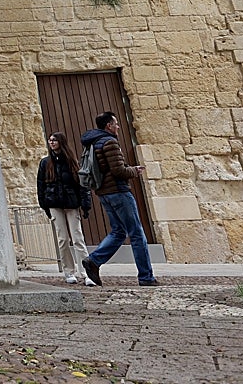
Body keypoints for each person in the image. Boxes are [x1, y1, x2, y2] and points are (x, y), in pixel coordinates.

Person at [80, 112, 159, 287]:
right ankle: (146, 277)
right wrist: (134, 171)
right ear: (108, 125)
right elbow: (118, 171)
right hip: (119, 192)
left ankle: (94, 261)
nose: (118, 127)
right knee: (137, 234)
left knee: (118, 232)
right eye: (115, 124)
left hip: (104, 193)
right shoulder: (110, 142)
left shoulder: (93, 142)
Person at [37, 132, 96, 286]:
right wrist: (44, 205)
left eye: (54, 140)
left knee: (78, 239)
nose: (52, 142)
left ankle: (86, 273)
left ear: (61, 142)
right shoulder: (45, 163)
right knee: (63, 239)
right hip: (54, 203)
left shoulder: (71, 162)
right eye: (50, 140)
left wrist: (85, 204)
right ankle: (68, 271)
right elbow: (41, 186)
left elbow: (82, 184)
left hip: (71, 203)